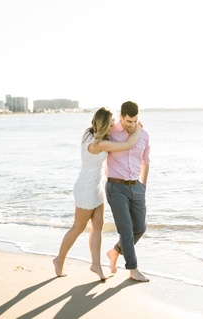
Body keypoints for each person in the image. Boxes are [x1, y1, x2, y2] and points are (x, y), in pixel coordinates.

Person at [53, 107, 142, 281]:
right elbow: (129, 144)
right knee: (78, 227)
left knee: (98, 227)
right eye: (109, 126)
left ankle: (96, 265)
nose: (112, 128)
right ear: (101, 126)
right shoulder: (98, 144)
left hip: (96, 188)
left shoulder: (90, 133)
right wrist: (138, 126)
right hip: (86, 189)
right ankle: (59, 259)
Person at [105, 101, 151, 282]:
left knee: (140, 227)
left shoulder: (144, 135)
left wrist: (143, 186)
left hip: (136, 187)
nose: (132, 125)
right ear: (121, 117)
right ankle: (133, 270)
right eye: (128, 121)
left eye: (135, 121)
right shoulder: (111, 132)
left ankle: (115, 251)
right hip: (116, 187)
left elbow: (146, 161)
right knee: (126, 230)